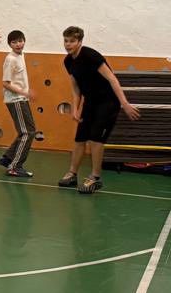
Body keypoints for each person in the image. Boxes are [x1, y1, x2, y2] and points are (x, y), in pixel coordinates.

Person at [57, 26, 140, 193]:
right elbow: (76, 88)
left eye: (72, 41)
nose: (68, 44)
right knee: (80, 138)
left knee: (95, 139)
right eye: (66, 41)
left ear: (80, 41)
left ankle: (95, 178)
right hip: (90, 102)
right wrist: (75, 108)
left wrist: (124, 103)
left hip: (108, 102)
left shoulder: (91, 56)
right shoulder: (68, 61)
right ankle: (72, 174)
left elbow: (112, 79)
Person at [0, 30, 35, 178]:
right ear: (10, 44)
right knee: (27, 132)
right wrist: (24, 93)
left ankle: (7, 158)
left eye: (20, 41)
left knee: (28, 130)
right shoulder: (10, 59)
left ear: (24, 41)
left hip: (21, 99)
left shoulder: (21, 55)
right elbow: (6, 83)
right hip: (16, 100)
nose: (18, 44)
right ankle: (15, 166)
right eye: (14, 42)